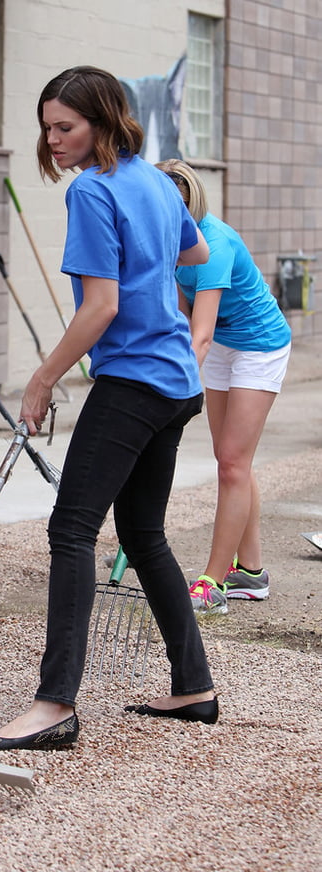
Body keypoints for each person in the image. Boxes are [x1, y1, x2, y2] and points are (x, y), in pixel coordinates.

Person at [0, 66, 217, 754]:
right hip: (176, 384)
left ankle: (54, 704)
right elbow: (195, 250)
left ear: (103, 122)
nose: (53, 139)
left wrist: (41, 378)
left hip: (133, 382)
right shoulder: (156, 182)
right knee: (142, 534)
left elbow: (100, 307)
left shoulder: (92, 189)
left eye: (66, 127)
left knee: (72, 530)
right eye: (47, 127)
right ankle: (193, 686)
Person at [156, 159, 291, 614]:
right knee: (232, 459)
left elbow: (201, 335)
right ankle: (250, 572)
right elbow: (180, 316)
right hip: (222, 346)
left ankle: (213, 582)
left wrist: (169, 388)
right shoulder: (168, 241)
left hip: (259, 345)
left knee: (233, 461)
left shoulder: (213, 243)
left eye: (178, 205)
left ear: (192, 202)